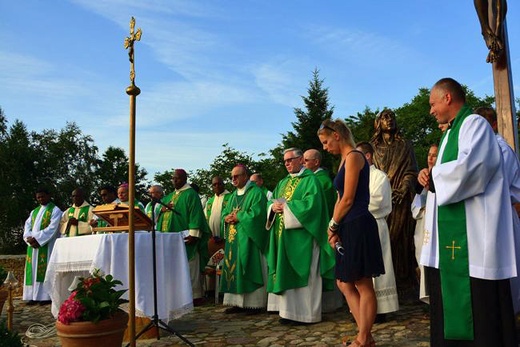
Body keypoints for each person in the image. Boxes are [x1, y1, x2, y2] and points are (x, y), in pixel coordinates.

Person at [418, 77, 517, 346]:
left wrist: (437, 177)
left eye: (432, 103)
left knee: (481, 312)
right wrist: (429, 175)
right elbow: (447, 174)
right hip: (455, 241)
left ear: (447, 98)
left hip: (473, 240)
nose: (431, 110)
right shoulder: (450, 133)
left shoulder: (474, 124)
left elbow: (474, 166)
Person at [318, 121, 384, 347]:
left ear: (337, 136)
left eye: (326, 142)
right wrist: (333, 227)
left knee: (362, 282)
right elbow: (339, 198)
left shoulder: (355, 157)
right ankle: (365, 335)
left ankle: (363, 338)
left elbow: (348, 198)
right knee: (344, 283)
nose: (325, 148)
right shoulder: (343, 162)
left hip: (358, 223)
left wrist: (334, 224)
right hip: (346, 225)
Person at [265, 148, 335, 325]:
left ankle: (307, 315)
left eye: (290, 159)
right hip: (284, 237)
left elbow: (313, 206)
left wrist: (287, 208)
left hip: (305, 237)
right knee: (286, 272)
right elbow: (272, 200)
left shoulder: (311, 180)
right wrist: (272, 208)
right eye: (285, 161)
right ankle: (289, 313)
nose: (287, 163)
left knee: (307, 274)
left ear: (301, 160)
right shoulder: (282, 182)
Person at [475, 106, 520, 314]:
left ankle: (509, 316)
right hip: (486, 216)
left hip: (501, 216)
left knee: (505, 271)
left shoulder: (501, 149)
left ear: (493, 125)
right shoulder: (484, 149)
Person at [370, 108, 418, 293]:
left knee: (401, 242)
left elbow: (412, 170)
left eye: (392, 117)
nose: (389, 120)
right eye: (385, 117)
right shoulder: (373, 148)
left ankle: (403, 282)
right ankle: (383, 285)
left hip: (401, 200)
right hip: (380, 200)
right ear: (378, 123)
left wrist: (405, 187)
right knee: (384, 241)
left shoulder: (405, 145)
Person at [356, 141, 399, 322]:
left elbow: (378, 201)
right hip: (357, 227)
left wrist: (353, 205)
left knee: (377, 268)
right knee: (360, 269)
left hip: (374, 225)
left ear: (367, 156)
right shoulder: (355, 177)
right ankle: (360, 310)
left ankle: (380, 310)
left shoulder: (379, 177)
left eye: (357, 156)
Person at [157, 169, 210, 306]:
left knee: (190, 266)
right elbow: (159, 214)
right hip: (170, 239)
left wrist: (194, 233)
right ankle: (176, 295)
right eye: (173, 178)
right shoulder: (168, 197)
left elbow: (195, 214)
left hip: (187, 237)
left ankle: (195, 296)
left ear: (185, 179)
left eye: (178, 178)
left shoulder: (191, 194)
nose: (175, 181)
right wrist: (162, 210)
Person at [220, 165, 268, 314]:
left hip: (249, 239)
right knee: (233, 269)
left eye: (236, 176)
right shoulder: (233, 195)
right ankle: (236, 303)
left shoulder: (256, 193)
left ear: (245, 176)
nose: (233, 179)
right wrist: (226, 218)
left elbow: (258, 215)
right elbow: (226, 213)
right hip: (234, 238)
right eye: (232, 177)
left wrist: (239, 216)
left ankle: (254, 304)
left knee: (248, 266)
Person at [303, 148, 343, 313]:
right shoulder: (310, 179)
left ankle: (327, 304)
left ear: (316, 162)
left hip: (321, 230)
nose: (303, 163)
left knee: (321, 266)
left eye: (306, 160)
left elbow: (321, 208)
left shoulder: (322, 181)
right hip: (311, 229)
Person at [23, 187, 62, 305]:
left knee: (44, 270)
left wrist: (37, 239)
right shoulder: (34, 211)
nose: (40, 199)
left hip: (46, 245)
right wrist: (28, 238)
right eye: (38, 197)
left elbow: (53, 228)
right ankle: (32, 295)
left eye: (42, 196)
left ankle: (45, 296)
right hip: (33, 247)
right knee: (32, 271)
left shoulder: (55, 210)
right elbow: (27, 226)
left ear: (48, 196)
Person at [411, 144, 438, 304]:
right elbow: (415, 202)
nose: (430, 157)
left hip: (437, 225)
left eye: (434, 155)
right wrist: (423, 209)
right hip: (423, 226)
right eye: (429, 154)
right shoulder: (422, 177)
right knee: (422, 260)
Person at [203, 176, 230, 295]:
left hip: (227, 239)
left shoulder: (230, 197)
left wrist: (225, 235)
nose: (217, 186)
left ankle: (224, 289)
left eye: (219, 184)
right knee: (211, 263)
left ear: (224, 184)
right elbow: (205, 218)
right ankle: (211, 290)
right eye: (214, 185)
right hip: (213, 239)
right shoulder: (209, 201)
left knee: (225, 264)